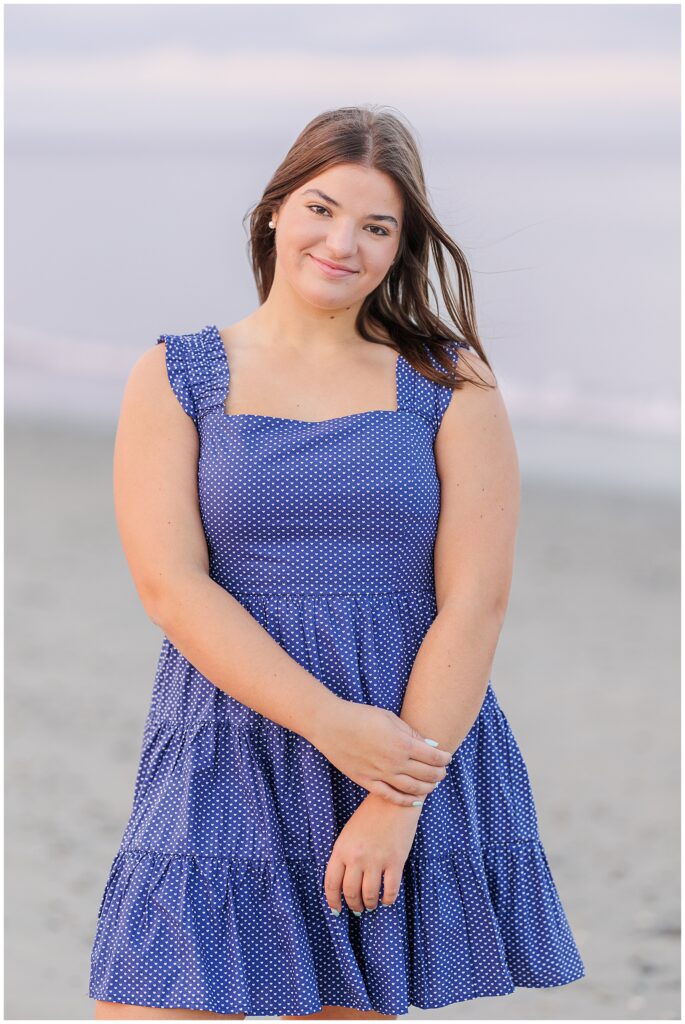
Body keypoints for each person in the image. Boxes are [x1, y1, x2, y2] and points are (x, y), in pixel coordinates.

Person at [89, 105, 585, 1020]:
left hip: (402, 743)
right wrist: (327, 721)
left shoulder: (447, 380)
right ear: (275, 211)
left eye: (376, 226)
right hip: (226, 742)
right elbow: (170, 586)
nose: (341, 242)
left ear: (401, 247)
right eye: (321, 208)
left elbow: (474, 602)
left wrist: (395, 798)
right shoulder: (177, 375)